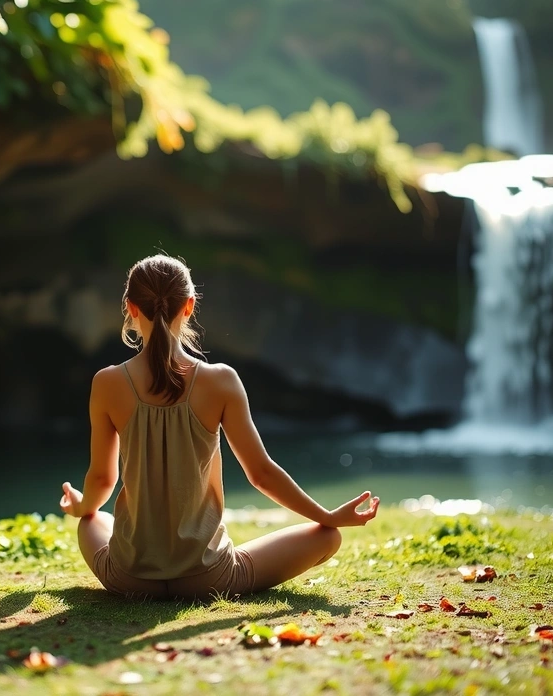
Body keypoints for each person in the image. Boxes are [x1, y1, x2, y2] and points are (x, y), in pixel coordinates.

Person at [59, 254, 380, 600]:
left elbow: (102, 480)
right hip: (210, 577)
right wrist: (326, 515)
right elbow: (261, 473)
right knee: (328, 536)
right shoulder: (222, 381)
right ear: (189, 306)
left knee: (92, 521)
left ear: (131, 308)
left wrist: (80, 507)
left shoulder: (107, 383)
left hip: (130, 577)